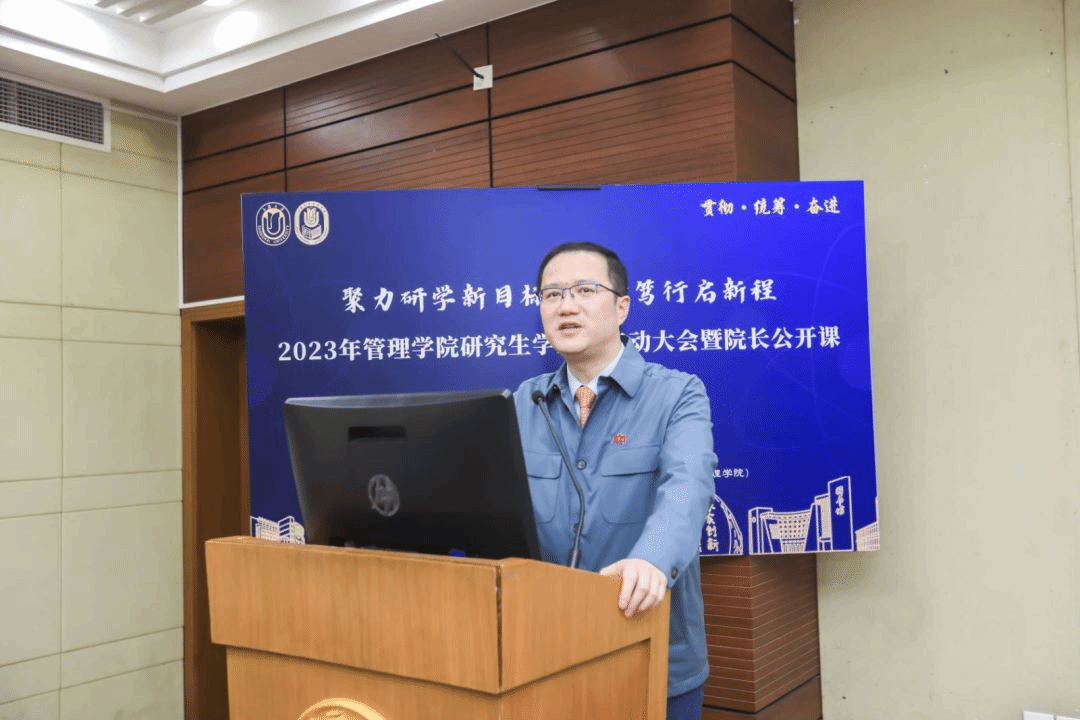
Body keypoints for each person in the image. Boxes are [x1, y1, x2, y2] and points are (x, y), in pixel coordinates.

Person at [514, 241, 717, 720]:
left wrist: (651, 559)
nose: (566, 306)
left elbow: (687, 487)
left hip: (650, 648)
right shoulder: (523, 402)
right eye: (552, 294)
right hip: (545, 653)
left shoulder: (677, 394)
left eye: (585, 290)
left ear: (622, 307)